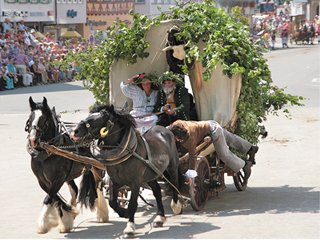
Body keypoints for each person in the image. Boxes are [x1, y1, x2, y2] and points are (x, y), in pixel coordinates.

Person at [168, 120, 259, 185]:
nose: (176, 140)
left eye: (177, 139)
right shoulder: (176, 124)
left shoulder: (189, 138)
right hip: (211, 123)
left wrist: (191, 170)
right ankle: (251, 148)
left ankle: (244, 165)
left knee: (224, 154)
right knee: (230, 138)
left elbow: (193, 155)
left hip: (214, 132)